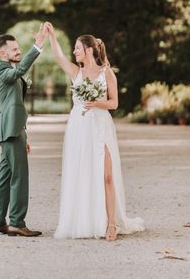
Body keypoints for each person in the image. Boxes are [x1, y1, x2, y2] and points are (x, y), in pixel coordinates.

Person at [44, 22, 145, 241]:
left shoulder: (106, 73)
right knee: (83, 174)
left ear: (89, 50)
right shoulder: (75, 73)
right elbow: (59, 57)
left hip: (101, 127)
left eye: (78, 48)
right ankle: (88, 221)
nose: (74, 52)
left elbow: (114, 104)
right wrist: (51, 35)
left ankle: (111, 224)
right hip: (79, 130)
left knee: (107, 176)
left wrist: (96, 102)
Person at [0, 24, 48, 237]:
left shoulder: (6, 70)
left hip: (12, 130)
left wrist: (25, 133)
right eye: (14, 50)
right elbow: (21, 69)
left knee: (5, 176)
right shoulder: (2, 70)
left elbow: (15, 105)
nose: (18, 52)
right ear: (3, 53)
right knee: (20, 176)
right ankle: (16, 222)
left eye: (18, 49)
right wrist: (38, 45)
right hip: (10, 131)